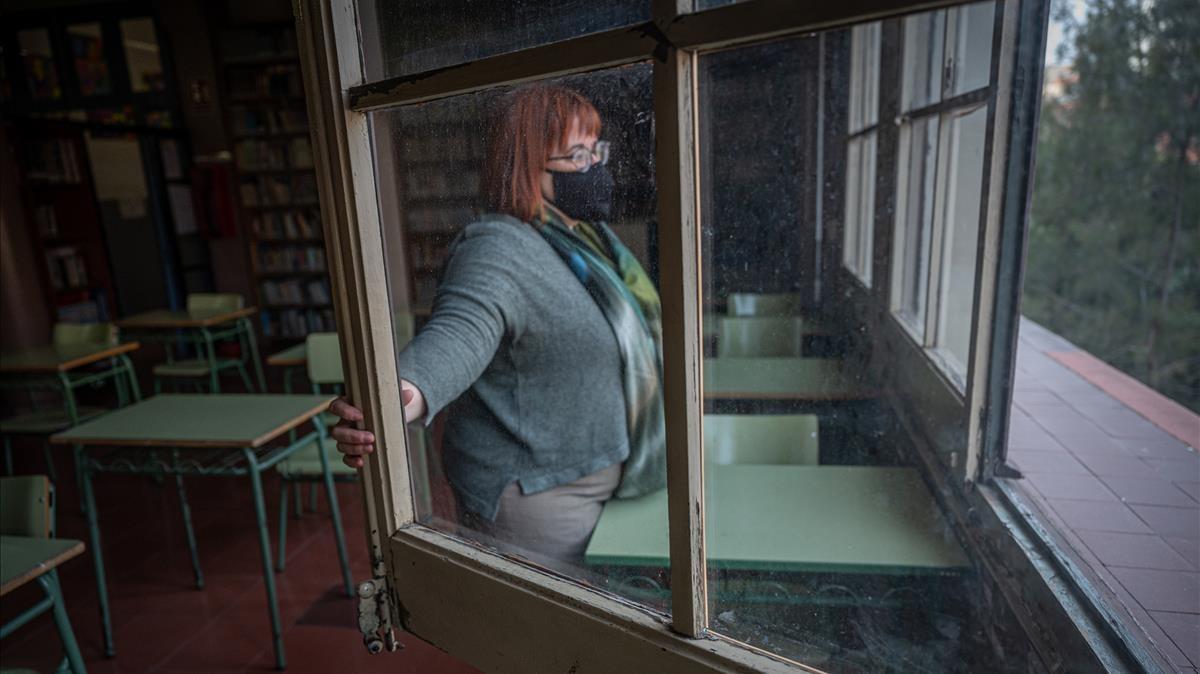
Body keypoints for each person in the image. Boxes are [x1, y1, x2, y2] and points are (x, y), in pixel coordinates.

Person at [329, 84, 666, 569]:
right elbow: (459, 333)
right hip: (540, 496)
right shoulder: (496, 248)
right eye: (577, 154)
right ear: (528, 167)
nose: (595, 166)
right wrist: (391, 397)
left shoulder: (586, 242)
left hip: (606, 476)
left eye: (597, 149)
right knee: (546, 641)